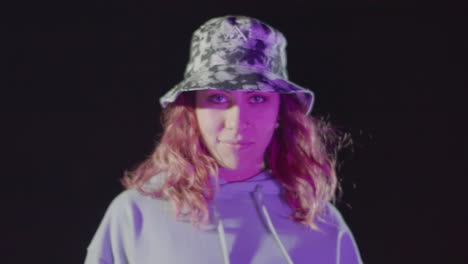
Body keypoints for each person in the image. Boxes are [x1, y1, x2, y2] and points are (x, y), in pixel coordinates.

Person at [84, 15, 363, 264]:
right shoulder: (136, 213)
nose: (237, 121)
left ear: (281, 110)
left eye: (257, 98)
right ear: (192, 111)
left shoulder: (320, 222)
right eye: (217, 98)